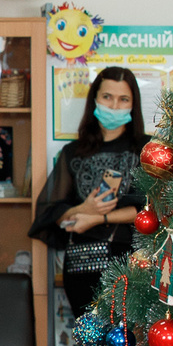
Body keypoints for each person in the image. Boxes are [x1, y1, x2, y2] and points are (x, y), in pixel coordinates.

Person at [28, 65, 149, 318]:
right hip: (81, 266)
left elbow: (151, 207)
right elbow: (49, 212)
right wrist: (83, 209)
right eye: (107, 97)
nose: (114, 105)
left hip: (131, 265)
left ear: (132, 104)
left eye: (123, 99)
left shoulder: (145, 149)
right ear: (95, 98)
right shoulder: (74, 152)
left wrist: (99, 217)